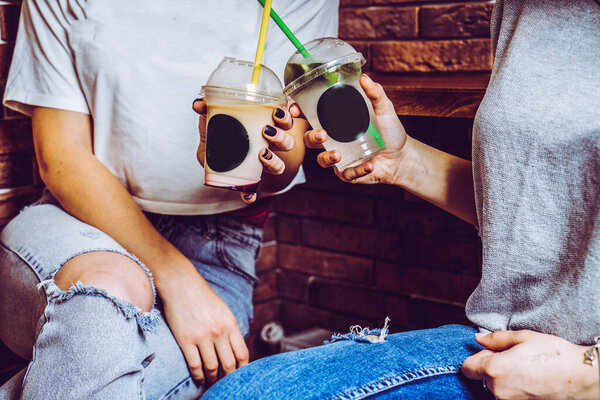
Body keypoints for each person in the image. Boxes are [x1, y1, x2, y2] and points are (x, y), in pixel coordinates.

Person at [202, 1, 600, 399]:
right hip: (499, 345)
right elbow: (537, 211)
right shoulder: (525, 11)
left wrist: (587, 375)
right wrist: (403, 159)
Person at [0, 0, 338, 399]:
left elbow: (290, 148)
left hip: (216, 252)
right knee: (103, 292)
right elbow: (60, 157)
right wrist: (176, 278)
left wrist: (268, 159)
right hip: (77, 225)